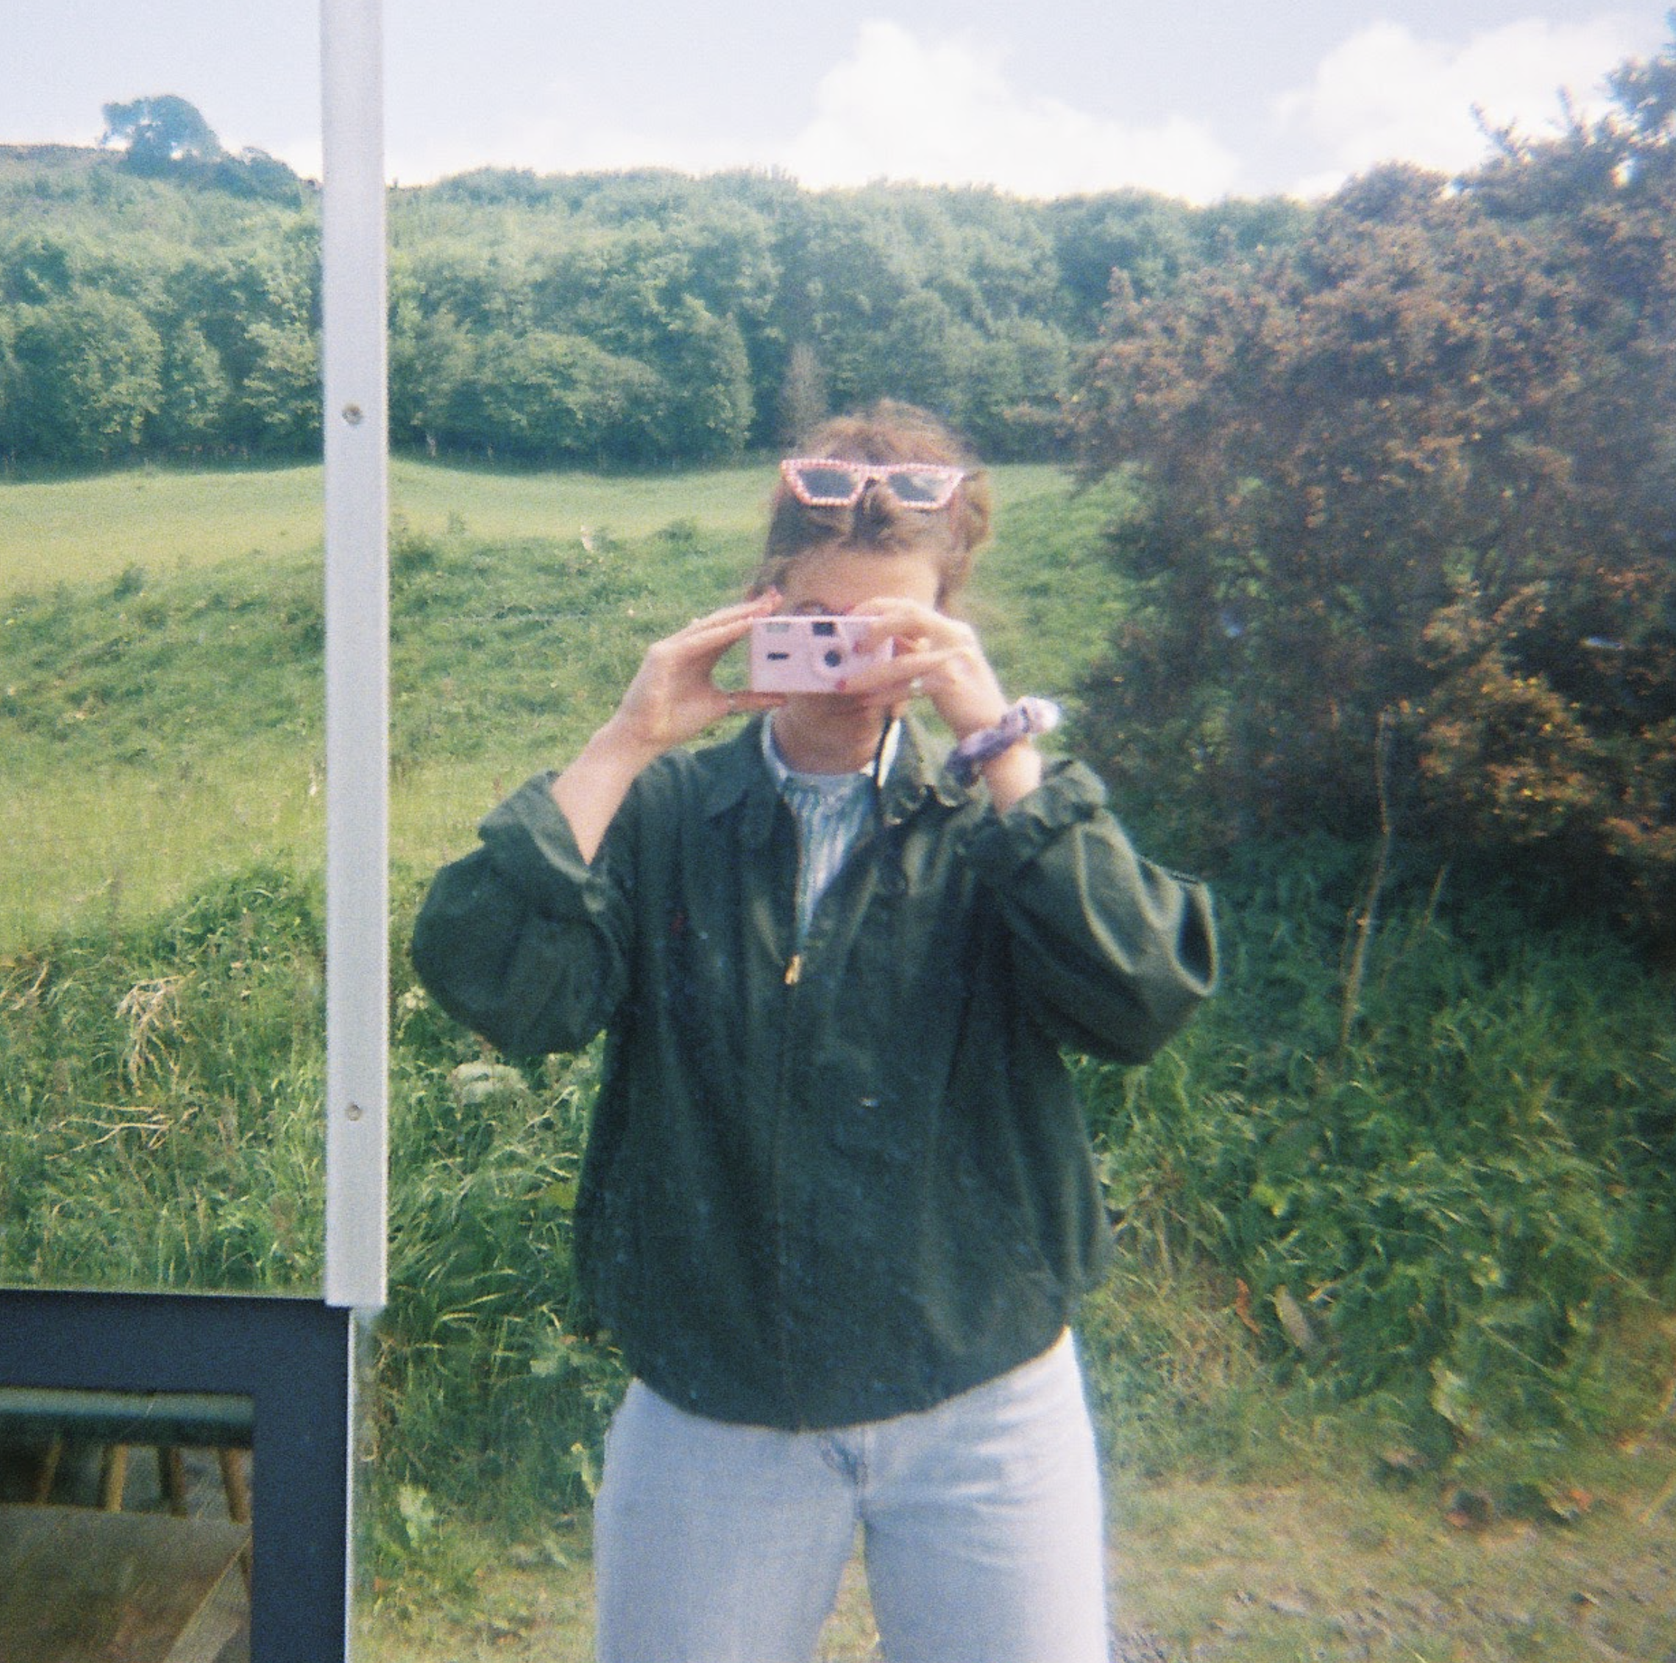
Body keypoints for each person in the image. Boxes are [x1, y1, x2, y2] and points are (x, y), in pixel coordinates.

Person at [410, 401, 1217, 1663]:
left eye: (894, 632)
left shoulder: (997, 819)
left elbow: (1143, 997)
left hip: (984, 1398)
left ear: (951, 627)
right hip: (718, 1401)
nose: (853, 666)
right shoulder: (668, 816)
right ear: (759, 603)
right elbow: (492, 978)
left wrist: (999, 744)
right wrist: (629, 736)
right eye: (816, 625)